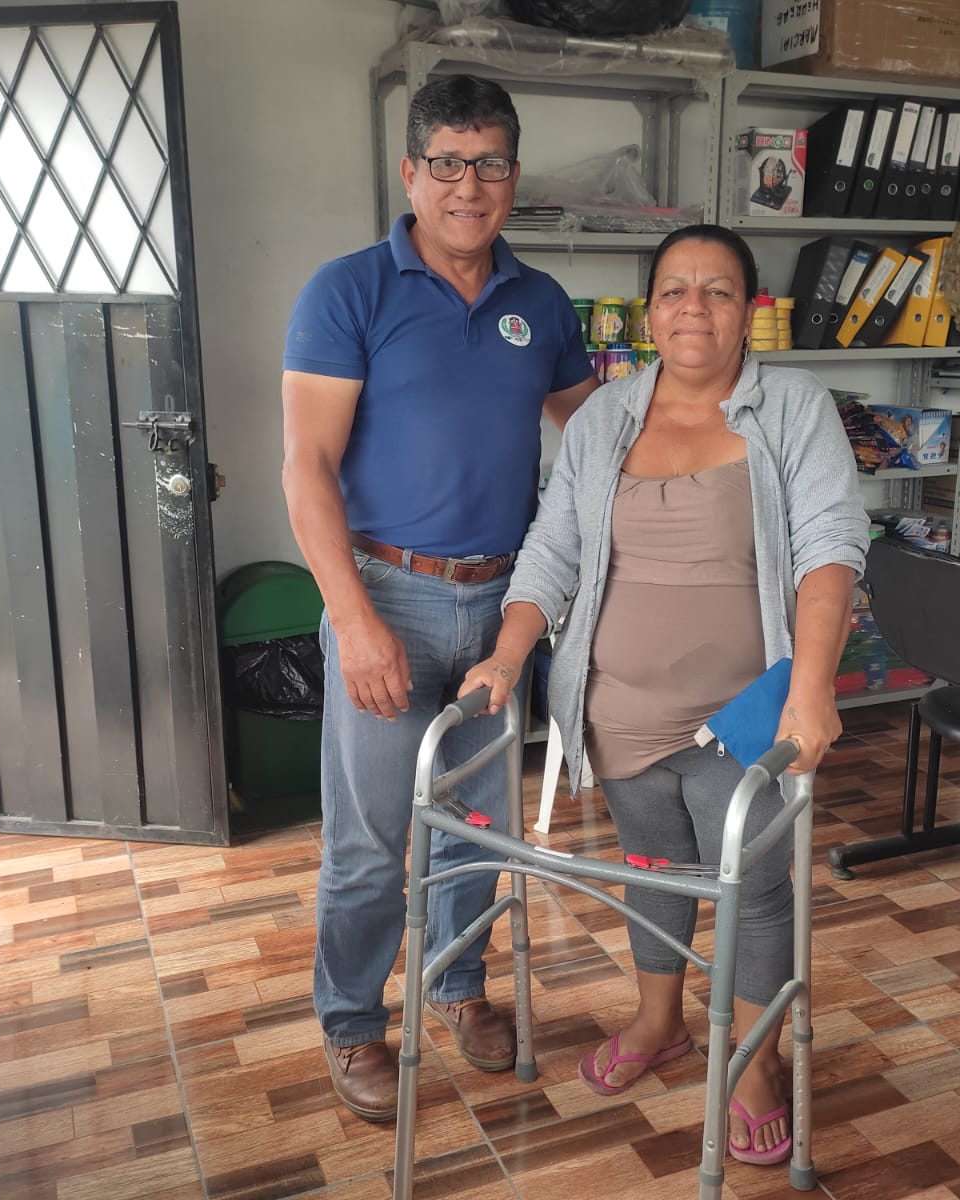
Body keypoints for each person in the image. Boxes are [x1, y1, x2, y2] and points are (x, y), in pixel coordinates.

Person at [460, 224, 868, 1164]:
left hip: (747, 715)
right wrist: (508, 657)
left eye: (718, 291)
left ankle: (754, 1064)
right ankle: (659, 1022)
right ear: (650, 313)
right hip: (619, 707)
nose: (695, 307)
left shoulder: (793, 408)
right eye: (676, 290)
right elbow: (552, 549)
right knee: (652, 870)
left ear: (748, 312)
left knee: (754, 889)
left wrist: (812, 691)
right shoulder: (605, 417)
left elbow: (831, 548)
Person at [281, 74, 598, 1121]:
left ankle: (458, 985)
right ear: (411, 173)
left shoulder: (540, 303)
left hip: (502, 604)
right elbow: (306, 468)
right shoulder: (349, 290)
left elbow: (595, 435)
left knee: (477, 825)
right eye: (449, 164)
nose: (470, 185)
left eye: (490, 163)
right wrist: (353, 620)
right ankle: (351, 1021)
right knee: (372, 840)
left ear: (514, 173)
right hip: (387, 595)